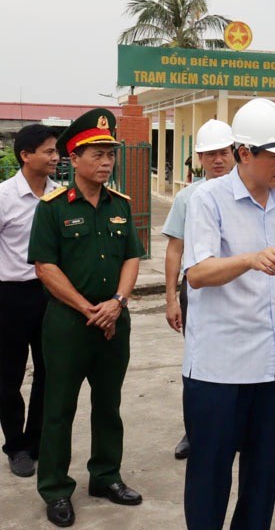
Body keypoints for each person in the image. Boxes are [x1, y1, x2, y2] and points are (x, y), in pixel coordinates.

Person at [181, 98, 275, 530]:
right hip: (219, 369)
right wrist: (248, 259)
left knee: (262, 477)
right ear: (244, 153)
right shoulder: (208, 199)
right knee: (210, 473)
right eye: (274, 156)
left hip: (272, 369)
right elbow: (197, 273)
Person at [28, 108, 146, 527]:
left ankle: (105, 476)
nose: (106, 161)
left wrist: (117, 301)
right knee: (59, 407)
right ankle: (56, 489)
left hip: (114, 319)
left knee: (108, 404)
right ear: (73, 160)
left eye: (110, 153)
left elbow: (132, 256)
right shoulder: (54, 208)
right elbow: (44, 266)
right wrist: (87, 308)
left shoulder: (120, 206)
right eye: (95, 153)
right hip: (68, 323)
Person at [161, 118, 235, 460]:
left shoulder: (248, 192)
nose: (217, 160)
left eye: (222, 152)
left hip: (239, 294)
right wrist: (171, 298)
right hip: (199, 292)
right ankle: (194, 430)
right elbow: (175, 248)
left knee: (239, 361)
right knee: (197, 363)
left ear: (235, 153)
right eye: (209, 154)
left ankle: (234, 426)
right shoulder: (188, 198)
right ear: (199, 159)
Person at [0, 125, 60, 478]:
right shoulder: (5, 196)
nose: (56, 157)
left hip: (49, 294)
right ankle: (16, 445)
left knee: (49, 372)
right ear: (26, 155)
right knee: (8, 376)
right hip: (10, 296)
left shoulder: (59, 196)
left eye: (56, 151)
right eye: (48, 151)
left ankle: (36, 441)